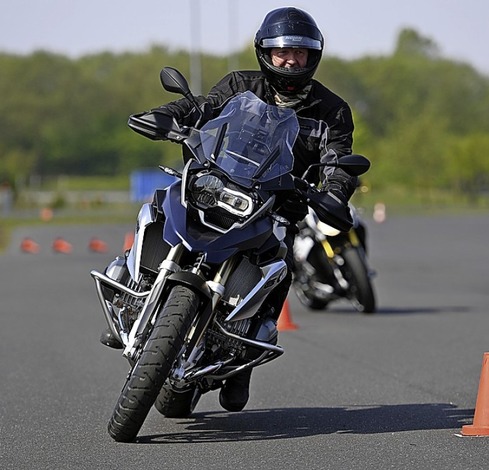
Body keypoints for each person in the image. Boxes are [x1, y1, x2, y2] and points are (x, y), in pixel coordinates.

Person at [102, 7, 359, 413]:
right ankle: (134, 288)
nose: (291, 60)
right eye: (282, 52)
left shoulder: (333, 109)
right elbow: (201, 108)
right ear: (266, 53)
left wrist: (333, 194)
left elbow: (338, 162)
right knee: (158, 207)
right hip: (215, 182)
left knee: (280, 269)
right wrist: (166, 117)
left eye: (300, 53)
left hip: (276, 205)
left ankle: (241, 367)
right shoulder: (241, 84)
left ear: (314, 57)